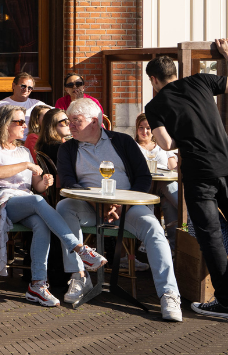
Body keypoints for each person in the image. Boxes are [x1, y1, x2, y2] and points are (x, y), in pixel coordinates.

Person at [55, 98, 181, 321]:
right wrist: (99, 204)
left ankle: (169, 293)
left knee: (153, 227)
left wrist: (124, 205)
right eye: (69, 121)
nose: (70, 125)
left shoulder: (121, 141)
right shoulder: (67, 148)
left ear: (95, 121)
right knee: (64, 207)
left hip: (127, 208)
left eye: (76, 121)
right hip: (88, 206)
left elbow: (143, 177)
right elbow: (67, 182)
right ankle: (80, 275)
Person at [0, 105, 106, 307]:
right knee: (38, 202)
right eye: (19, 121)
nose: (24, 125)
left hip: (22, 200)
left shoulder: (23, 151)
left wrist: (44, 182)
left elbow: (34, 187)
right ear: (4, 124)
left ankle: (37, 284)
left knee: (40, 222)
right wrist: (27, 165)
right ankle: (78, 248)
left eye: (23, 121)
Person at [144, 46, 228, 318]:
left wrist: (188, 137)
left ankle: (225, 302)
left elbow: (166, 144)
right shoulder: (201, 80)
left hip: (198, 173)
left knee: (210, 236)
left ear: (154, 80)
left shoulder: (155, 105)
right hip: (225, 163)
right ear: (175, 73)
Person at [135, 112, 179, 249]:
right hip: (143, 188)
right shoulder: (133, 146)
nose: (144, 131)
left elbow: (173, 168)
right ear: (136, 129)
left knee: (168, 192)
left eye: (148, 128)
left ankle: (173, 246)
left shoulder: (162, 146)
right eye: (141, 128)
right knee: (168, 198)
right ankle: (189, 215)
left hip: (162, 188)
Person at [0, 72, 48, 138]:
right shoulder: (2, 105)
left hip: (32, 143)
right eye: (23, 86)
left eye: (30, 88)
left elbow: (55, 115)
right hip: (11, 142)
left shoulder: (37, 104)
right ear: (13, 86)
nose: (26, 90)